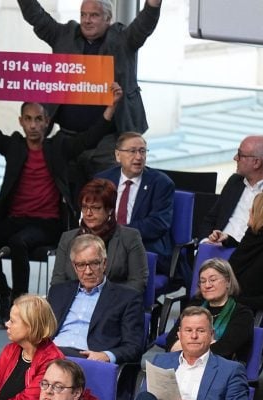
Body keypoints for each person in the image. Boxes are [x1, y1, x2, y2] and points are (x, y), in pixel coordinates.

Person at [0, 69, 123, 324]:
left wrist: (110, 107)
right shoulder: (14, 146)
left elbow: (89, 138)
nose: (33, 125)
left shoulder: (58, 147)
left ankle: (20, 303)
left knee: (19, 243)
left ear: (46, 121)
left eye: (38, 119)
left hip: (48, 222)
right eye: (28, 119)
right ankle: (3, 294)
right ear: (21, 121)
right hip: (16, 218)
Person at [17, 0, 162, 182]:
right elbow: (36, 18)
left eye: (94, 15)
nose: (87, 20)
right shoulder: (64, 35)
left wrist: (152, 5)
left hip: (107, 144)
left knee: (108, 198)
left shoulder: (123, 39)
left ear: (108, 19)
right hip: (68, 139)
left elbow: (143, 26)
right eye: (83, 15)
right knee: (68, 199)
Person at [125, 307, 251, 400]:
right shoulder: (161, 361)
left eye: (201, 331)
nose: (194, 336)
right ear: (179, 335)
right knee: (145, 399)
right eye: (188, 330)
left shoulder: (230, 370)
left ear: (212, 335)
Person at [48, 234, 144, 364]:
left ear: (104, 263)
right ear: (74, 267)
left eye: (94, 263)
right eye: (81, 265)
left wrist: (107, 355)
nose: (88, 271)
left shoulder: (127, 298)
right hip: (51, 354)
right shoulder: (58, 292)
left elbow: (134, 346)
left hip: (88, 360)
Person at [96, 132, 175, 275]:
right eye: (132, 151)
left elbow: (158, 224)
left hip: (144, 246)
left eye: (142, 151)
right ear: (118, 155)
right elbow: (94, 213)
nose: (139, 157)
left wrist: (118, 232)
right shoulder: (103, 180)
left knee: (111, 265)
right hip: (106, 244)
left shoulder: (161, 183)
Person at [51, 179, 148, 294]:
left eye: (95, 208)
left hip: (114, 304)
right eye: (84, 207)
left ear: (110, 210)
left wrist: (102, 299)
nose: (88, 213)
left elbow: (138, 283)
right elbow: (57, 283)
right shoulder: (68, 238)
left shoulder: (130, 237)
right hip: (75, 301)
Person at [165, 258, 253, 363]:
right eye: (203, 281)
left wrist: (188, 347)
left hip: (221, 370)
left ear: (228, 282)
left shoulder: (242, 314)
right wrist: (206, 345)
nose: (207, 285)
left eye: (213, 280)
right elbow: (171, 339)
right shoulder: (195, 305)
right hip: (184, 365)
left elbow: (224, 350)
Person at [204, 135, 263, 242]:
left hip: (247, 255)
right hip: (215, 248)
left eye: (240, 155)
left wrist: (229, 243)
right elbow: (211, 219)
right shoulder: (234, 181)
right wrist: (205, 242)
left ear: (256, 163)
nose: (235, 158)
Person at [223, 191, 263, 312]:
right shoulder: (251, 237)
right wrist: (228, 240)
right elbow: (250, 254)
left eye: (253, 208)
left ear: (262, 214)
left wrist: (231, 302)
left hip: (242, 312)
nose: (249, 211)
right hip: (226, 302)